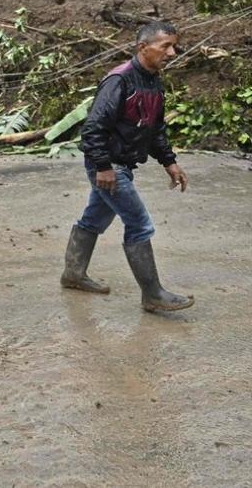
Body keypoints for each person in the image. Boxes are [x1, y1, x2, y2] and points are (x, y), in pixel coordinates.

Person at [61, 21, 194, 312]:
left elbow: (155, 129)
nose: (172, 53)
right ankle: (153, 294)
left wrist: (169, 162)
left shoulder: (154, 82)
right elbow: (93, 129)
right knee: (139, 224)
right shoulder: (118, 81)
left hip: (121, 164)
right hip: (110, 166)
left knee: (94, 220)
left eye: (174, 46)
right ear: (142, 48)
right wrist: (103, 167)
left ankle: (73, 274)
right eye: (165, 46)